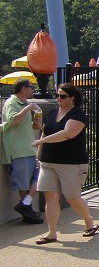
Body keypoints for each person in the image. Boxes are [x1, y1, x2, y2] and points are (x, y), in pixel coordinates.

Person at [31, 83, 98, 244]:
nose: (58, 99)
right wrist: (38, 155)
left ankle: (89, 221)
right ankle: (51, 232)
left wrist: (43, 140)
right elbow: (44, 131)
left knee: (72, 198)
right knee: (50, 195)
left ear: (72, 98)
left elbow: (67, 134)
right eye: (57, 96)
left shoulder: (78, 114)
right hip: (49, 161)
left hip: (71, 163)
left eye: (62, 96)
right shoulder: (52, 113)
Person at [1, 79, 44, 223]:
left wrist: (36, 122)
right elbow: (12, 121)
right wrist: (27, 109)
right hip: (18, 149)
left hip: (28, 147)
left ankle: (25, 205)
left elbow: (27, 126)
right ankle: (27, 210)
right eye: (31, 87)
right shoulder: (11, 103)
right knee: (24, 183)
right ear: (23, 89)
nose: (33, 90)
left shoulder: (25, 104)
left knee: (39, 177)